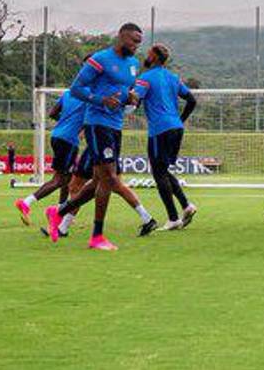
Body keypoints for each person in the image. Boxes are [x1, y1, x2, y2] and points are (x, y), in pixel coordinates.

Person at [45, 23, 157, 250]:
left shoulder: (134, 65)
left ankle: (59, 212)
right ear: (121, 37)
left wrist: (131, 97)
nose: (137, 46)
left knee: (99, 180)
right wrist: (100, 100)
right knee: (109, 179)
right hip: (97, 124)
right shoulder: (100, 59)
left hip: (116, 125)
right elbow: (77, 88)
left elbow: (124, 91)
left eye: (139, 42)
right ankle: (97, 236)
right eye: (133, 41)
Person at [133, 44, 198, 231]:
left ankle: (173, 218)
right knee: (163, 170)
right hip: (176, 128)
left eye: (148, 53)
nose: (146, 56)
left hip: (159, 130)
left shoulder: (145, 78)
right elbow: (192, 100)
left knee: (158, 172)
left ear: (153, 56)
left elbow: (133, 100)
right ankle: (186, 206)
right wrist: (180, 120)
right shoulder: (173, 78)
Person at [14, 88, 86, 224]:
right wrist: (77, 127)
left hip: (56, 136)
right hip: (69, 140)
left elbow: (52, 113)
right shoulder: (89, 97)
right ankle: (26, 202)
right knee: (58, 180)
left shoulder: (68, 93)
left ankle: (60, 212)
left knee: (67, 178)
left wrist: (65, 121)